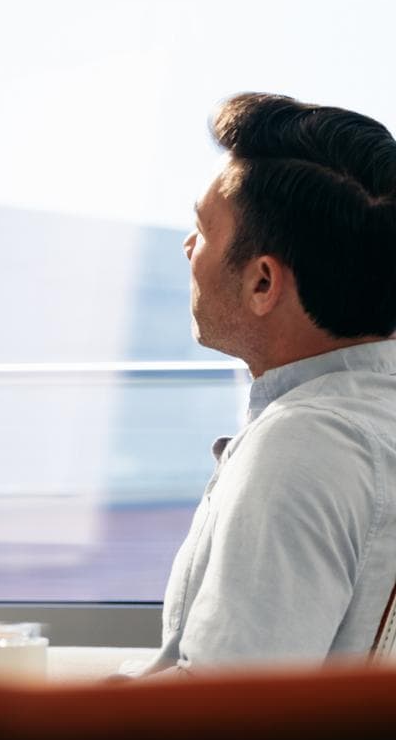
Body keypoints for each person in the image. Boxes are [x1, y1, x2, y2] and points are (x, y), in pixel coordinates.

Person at [140, 92, 396, 672]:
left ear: (263, 283)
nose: (187, 249)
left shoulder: (305, 446)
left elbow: (223, 719)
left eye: (203, 230)